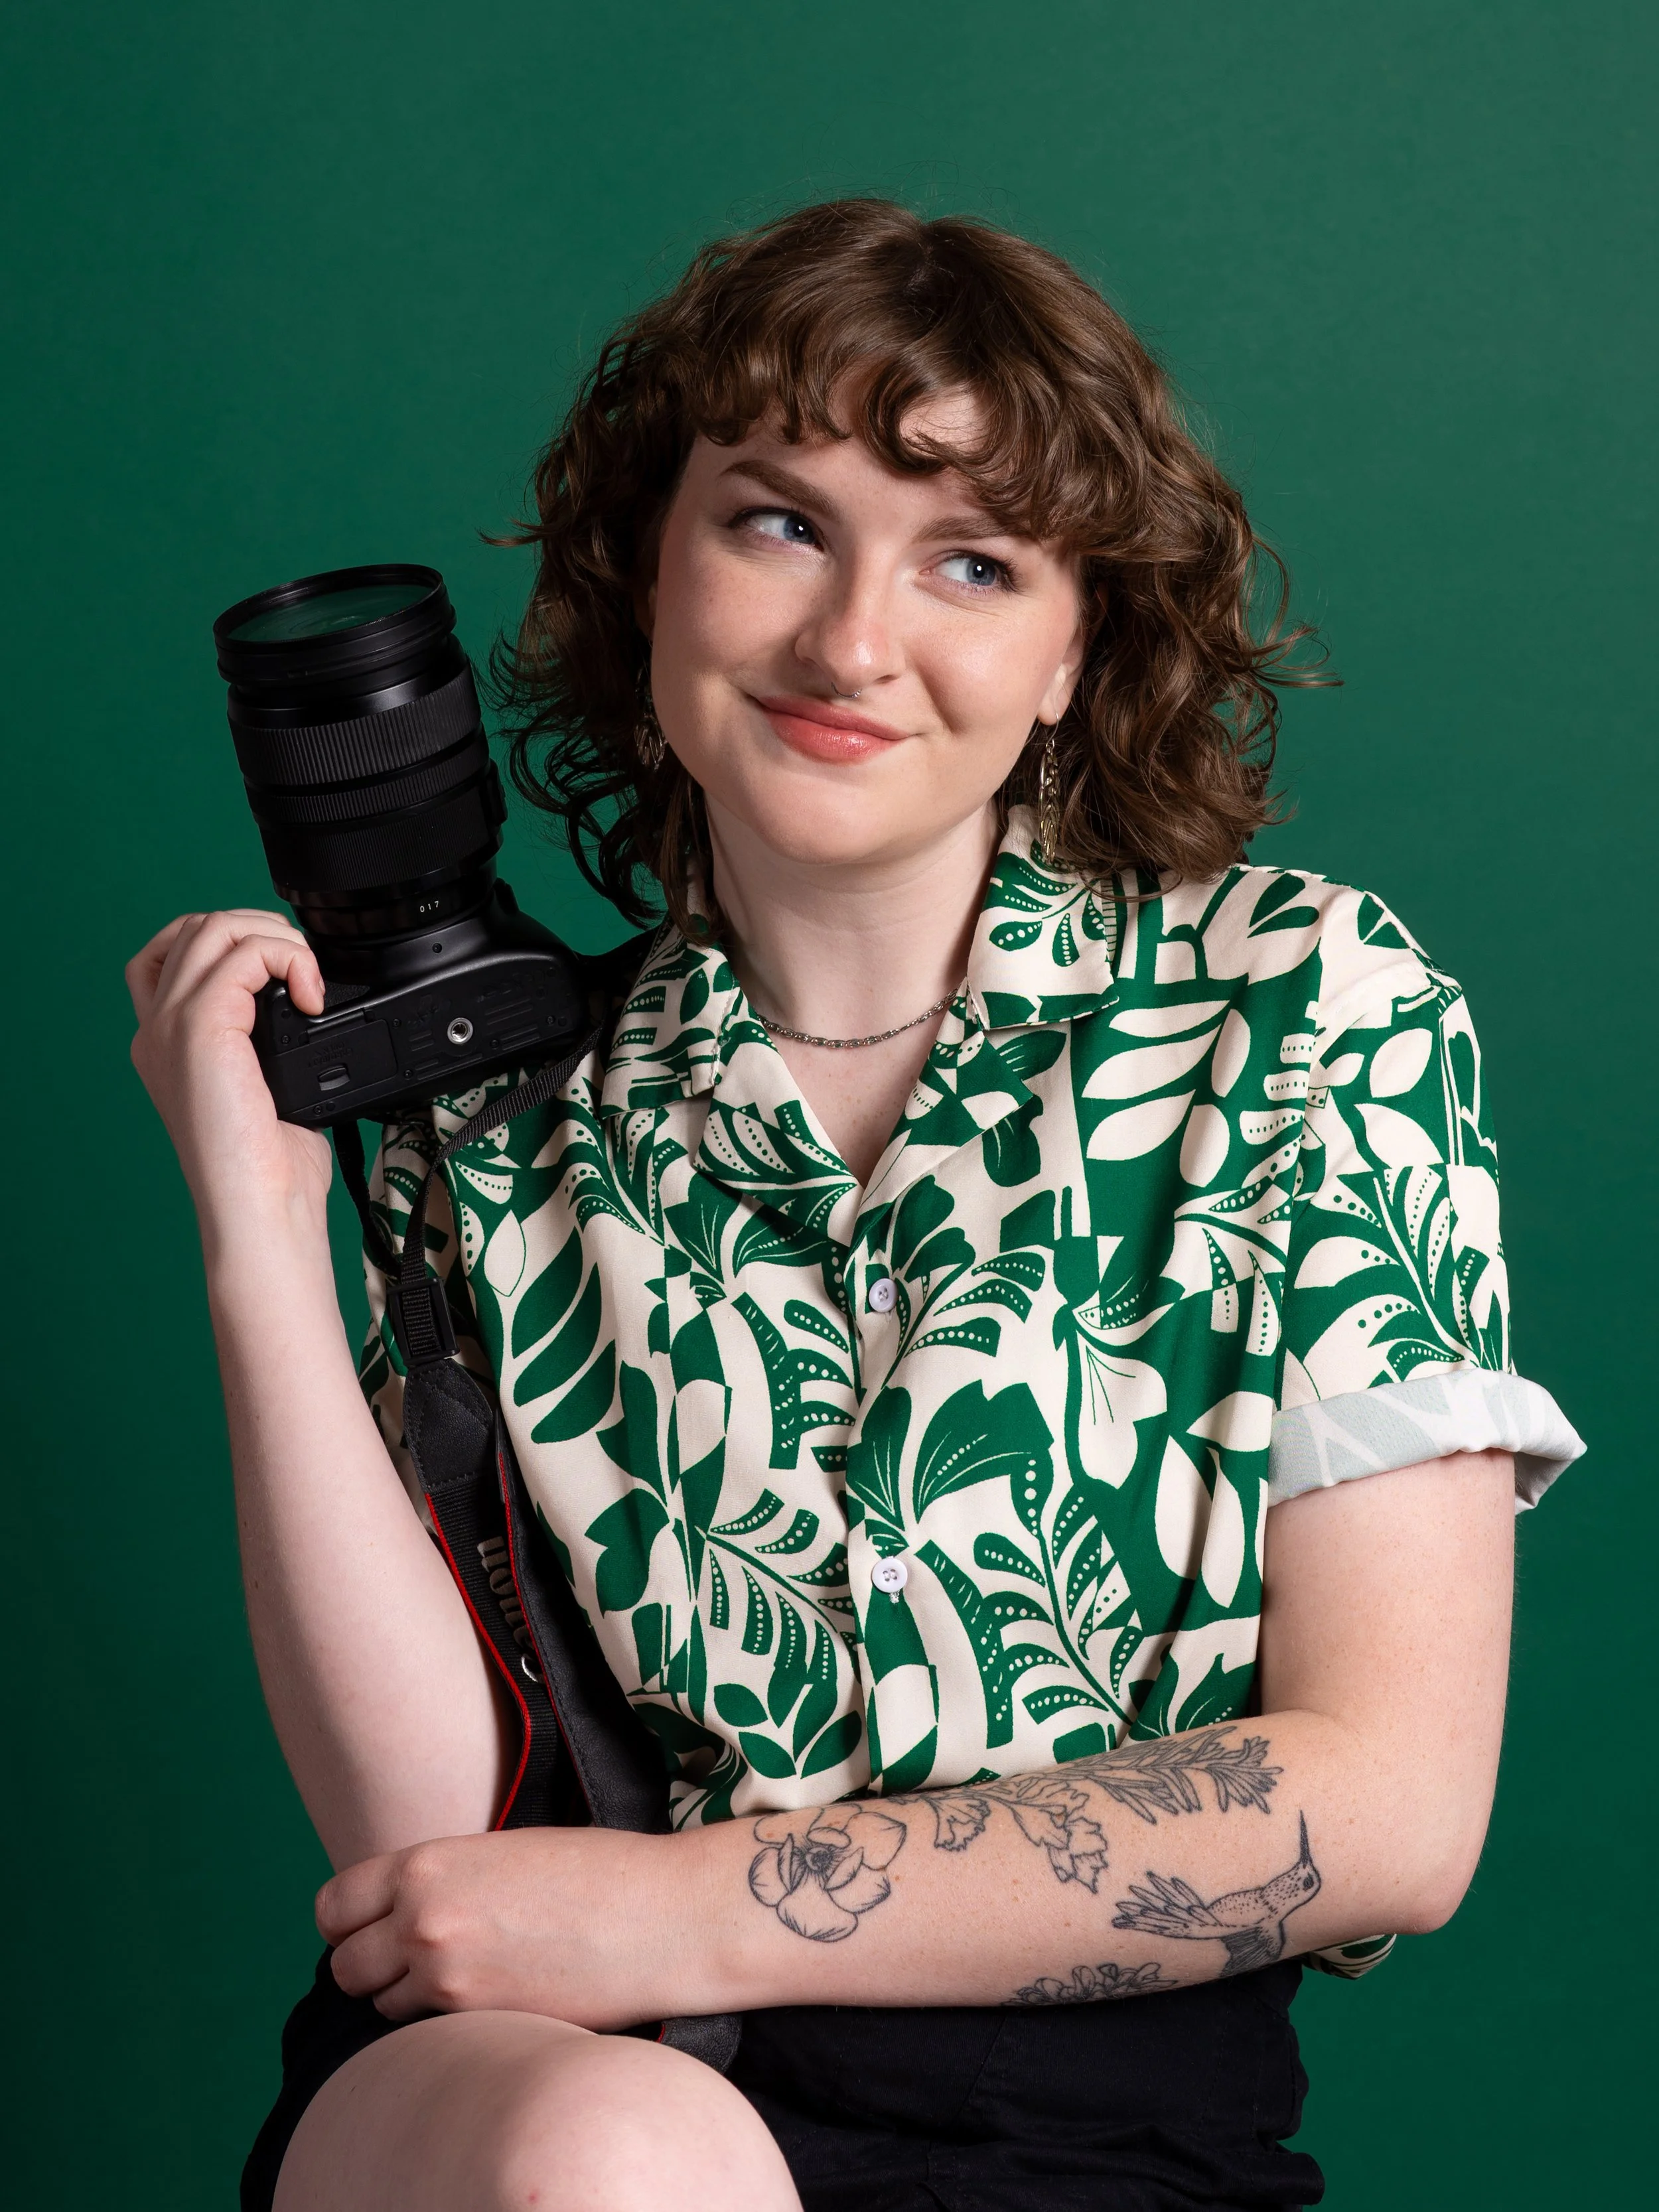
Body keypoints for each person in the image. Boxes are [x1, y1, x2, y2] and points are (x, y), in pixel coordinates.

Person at [128, 201, 1582, 2212]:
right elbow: (430, 1846)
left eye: (969, 561)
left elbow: (1390, 1803)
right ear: (648, 571)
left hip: (1097, 2134)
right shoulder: (487, 1113)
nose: (849, 644)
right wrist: (257, 1228)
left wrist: (682, 1911)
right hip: (553, 2100)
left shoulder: (1304, 1010)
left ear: (1077, 646)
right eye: (776, 523)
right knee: (602, 2149)